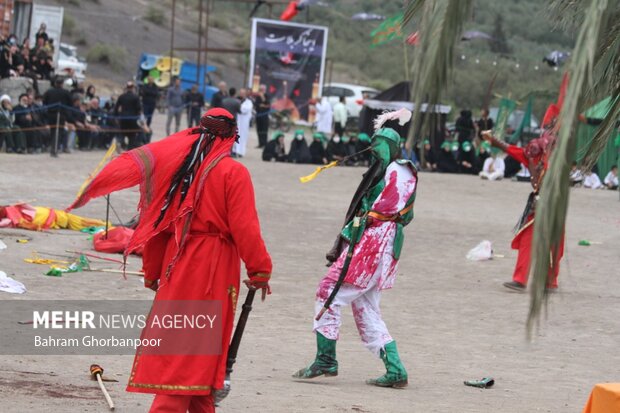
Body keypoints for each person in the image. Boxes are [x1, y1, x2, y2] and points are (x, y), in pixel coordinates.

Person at [66, 107, 272, 413]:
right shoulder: (233, 172)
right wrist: (260, 269)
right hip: (212, 269)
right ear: (231, 137)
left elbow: (157, 224)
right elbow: (245, 226)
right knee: (191, 352)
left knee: (193, 349)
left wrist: (153, 271)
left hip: (177, 264)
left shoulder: (179, 171)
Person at [293, 124, 417, 389]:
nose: (375, 149)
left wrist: (365, 217)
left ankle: (325, 359)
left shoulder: (399, 170)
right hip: (378, 242)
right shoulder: (387, 169)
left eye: (380, 144)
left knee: (328, 291)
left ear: (391, 147)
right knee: (365, 307)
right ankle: (395, 369)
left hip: (375, 244)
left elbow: (384, 209)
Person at [482, 105, 564, 292]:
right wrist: (492, 139)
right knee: (527, 237)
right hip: (538, 203)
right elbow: (514, 150)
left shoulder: (559, 156)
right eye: (547, 127)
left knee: (553, 243)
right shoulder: (534, 152)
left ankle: (551, 281)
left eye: (552, 127)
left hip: (553, 204)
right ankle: (520, 279)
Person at [43, 76, 72, 155]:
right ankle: (55, 148)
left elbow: (44, 102)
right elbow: (70, 103)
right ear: (62, 84)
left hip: (51, 114)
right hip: (61, 114)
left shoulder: (49, 91)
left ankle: (54, 148)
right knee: (59, 131)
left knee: (53, 131)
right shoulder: (66, 92)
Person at [115, 81, 143, 150]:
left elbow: (116, 108)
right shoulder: (136, 97)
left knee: (122, 133)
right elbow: (139, 108)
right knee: (132, 136)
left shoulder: (122, 96)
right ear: (133, 88)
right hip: (132, 119)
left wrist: (116, 117)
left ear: (126, 88)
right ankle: (129, 150)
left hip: (123, 118)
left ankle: (119, 142)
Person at [233, 88, 253, 158]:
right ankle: (235, 150)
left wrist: (239, 107)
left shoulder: (248, 102)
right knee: (236, 135)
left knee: (243, 136)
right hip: (237, 121)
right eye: (240, 92)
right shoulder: (236, 100)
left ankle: (241, 151)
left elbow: (244, 110)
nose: (241, 94)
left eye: (243, 93)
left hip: (244, 122)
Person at [254, 84, 271, 148]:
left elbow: (268, 105)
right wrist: (262, 105)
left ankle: (265, 143)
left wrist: (263, 98)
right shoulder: (257, 97)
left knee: (264, 130)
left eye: (262, 90)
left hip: (265, 116)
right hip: (258, 116)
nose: (261, 91)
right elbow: (256, 105)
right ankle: (260, 143)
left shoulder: (267, 96)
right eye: (260, 90)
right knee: (259, 130)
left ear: (264, 90)